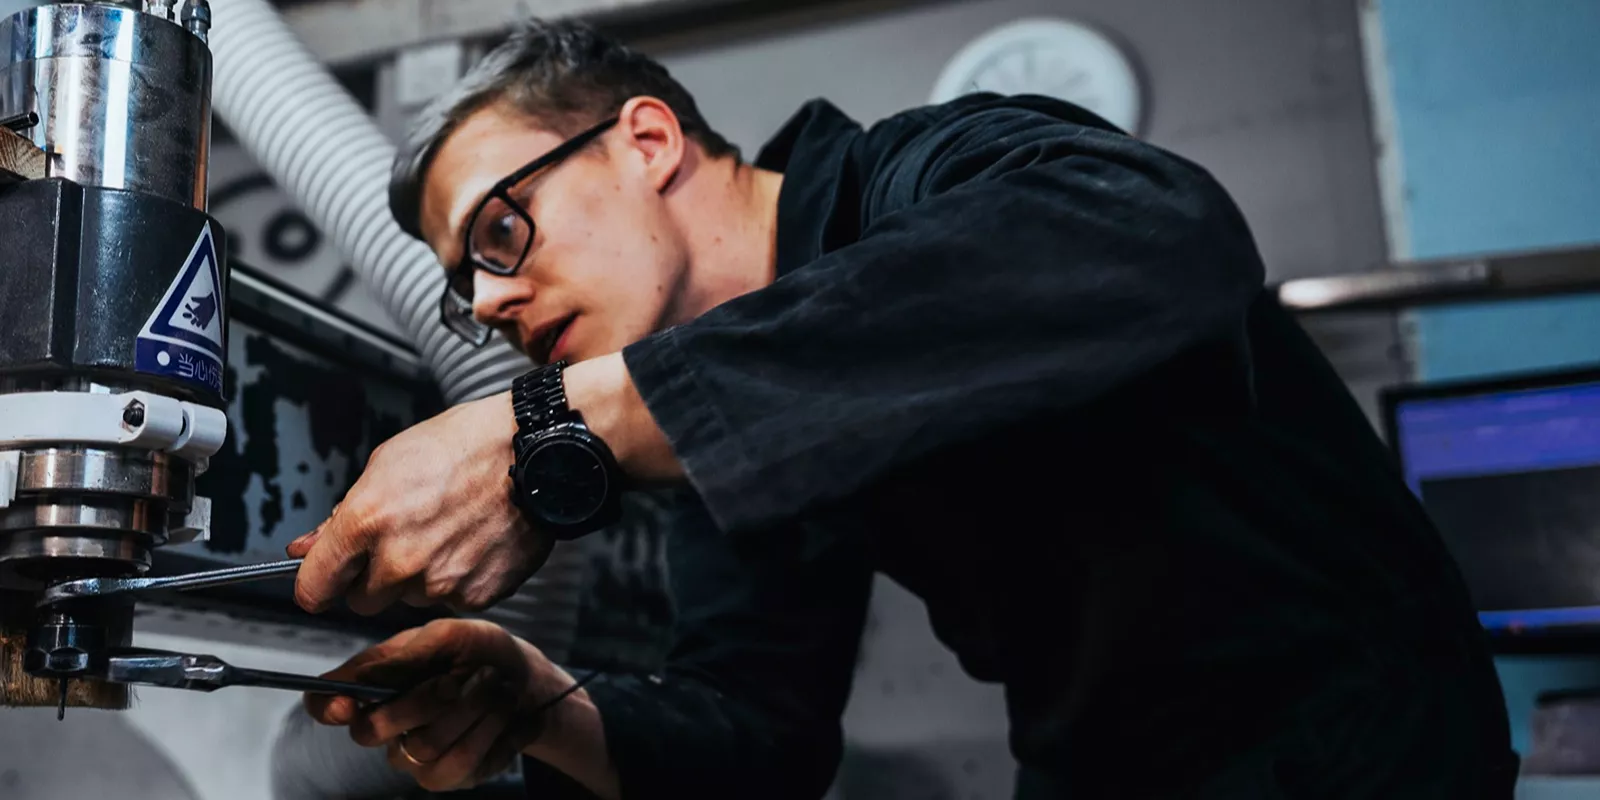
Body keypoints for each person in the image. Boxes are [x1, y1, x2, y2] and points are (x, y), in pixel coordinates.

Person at [287, 18, 1518, 800]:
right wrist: (539, 698)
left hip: (1360, 751)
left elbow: (1159, 241)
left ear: (647, 141)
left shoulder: (930, 169)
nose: (490, 301)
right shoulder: (703, 413)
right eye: (462, 290)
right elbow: (758, 733)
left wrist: (548, 427)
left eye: (501, 232)